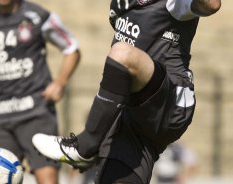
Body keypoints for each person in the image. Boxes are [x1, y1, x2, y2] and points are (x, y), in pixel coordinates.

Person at [32, 0, 221, 183]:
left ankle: (85, 147)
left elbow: (211, 4)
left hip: (169, 102)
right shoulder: (119, 5)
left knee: (122, 53)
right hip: (131, 118)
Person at [0, 0, 80, 183]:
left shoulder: (39, 16)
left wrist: (60, 82)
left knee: (47, 178)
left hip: (36, 113)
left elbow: (71, 48)